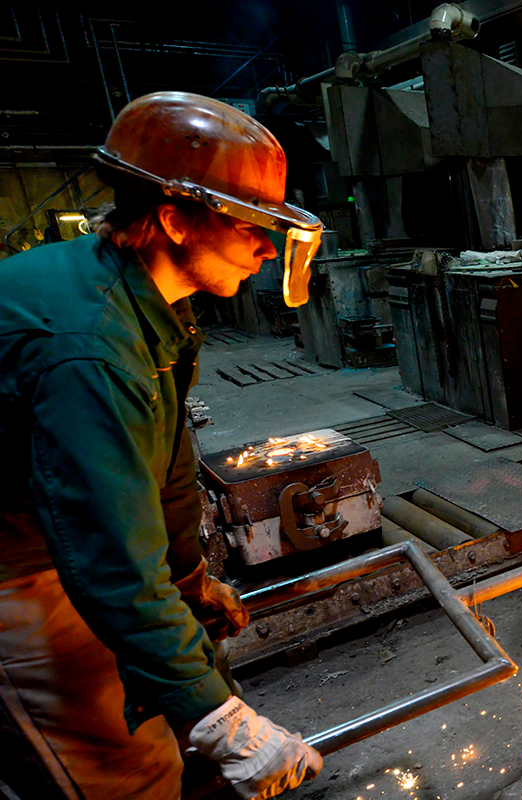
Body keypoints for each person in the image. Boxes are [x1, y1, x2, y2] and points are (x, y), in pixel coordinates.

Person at [0, 92, 325, 800]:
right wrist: (220, 721)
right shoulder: (90, 349)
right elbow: (107, 558)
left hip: (69, 535)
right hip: (18, 565)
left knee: (180, 690)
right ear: (175, 219)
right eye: (249, 228)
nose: (268, 249)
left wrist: (187, 585)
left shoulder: (147, 304)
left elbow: (165, 476)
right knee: (126, 769)